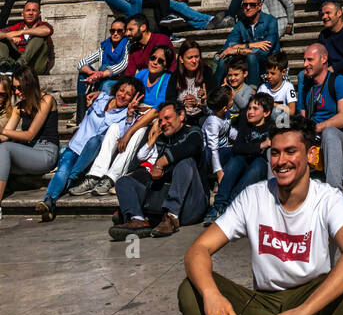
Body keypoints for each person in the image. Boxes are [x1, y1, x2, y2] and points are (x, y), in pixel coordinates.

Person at [178, 117, 343, 315]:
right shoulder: (253, 197)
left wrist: (302, 312)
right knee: (191, 288)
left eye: (291, 151)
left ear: (311, 154)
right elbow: (197, 250)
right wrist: (212, 294)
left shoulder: (328, 199)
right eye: (275, 153)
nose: (281, 161)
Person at [37, 76, 145, 221]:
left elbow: (122, 139)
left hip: (91, 154)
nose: (123, 96)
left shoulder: (125, 114)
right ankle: (49, 201)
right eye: (121, 91)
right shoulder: (101, 98)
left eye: (128, 95)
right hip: (76, 146)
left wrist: (130, 114)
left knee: (96, 140)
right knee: (64, 170)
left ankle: (63, 187)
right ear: (116, 90)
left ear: (133, 99)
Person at [109, 98, 209, 239]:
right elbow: (150, 170)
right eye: (160, 120)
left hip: (191, 205)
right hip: (162, 204)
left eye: (167, 118)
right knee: (123, 182)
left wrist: (160, 163)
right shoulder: (161, 139)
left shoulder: (194, 132)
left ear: (181, 116)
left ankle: (171, 218)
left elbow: (190, 148)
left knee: (185, 162)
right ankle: (138, 220)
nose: (163, 123)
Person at [204, 92, 275, 223]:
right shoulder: (244, 122)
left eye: (255, 109)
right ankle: (218, 205)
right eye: (249, 108)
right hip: (242, 158)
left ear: (266, 113)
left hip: (259, 162)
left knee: (258, 166)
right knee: (235, 161)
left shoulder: (271, 126)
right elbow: (238, 147)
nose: (250, 112)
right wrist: (261, 145)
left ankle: (231, 206)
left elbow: (287, 116)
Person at [0, 66, 60, 217]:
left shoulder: (47, 100)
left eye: (20, 88)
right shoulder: (18, 107)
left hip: (46, 153)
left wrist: (1, 131)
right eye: (14, 88)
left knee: (5, 148)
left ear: (30, 85)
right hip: (29, 153)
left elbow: (30, 135)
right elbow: (4, 137)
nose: (16, 92)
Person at [297, 43, 343, 191]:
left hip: (338, 138)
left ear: (323, 59)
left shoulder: (339, 81)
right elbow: (303, 118)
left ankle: (334, 192)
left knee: (329, 133)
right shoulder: (306, 89)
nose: (305, 64)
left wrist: (318, 128)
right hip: (314, 141)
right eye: (304, 60)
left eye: (310, 60)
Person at [214, 0, 281, 88]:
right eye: (245, 5)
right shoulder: (241, 24)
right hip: (247, 64)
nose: (248, 7)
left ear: (259, 6)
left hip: (269, 64)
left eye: (252, 5)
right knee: (223, 58)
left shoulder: (271, 21)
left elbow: (263, 52)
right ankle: (215, 93)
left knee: (251, 56)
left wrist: (237, 49)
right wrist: (251, 45)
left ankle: (252, 92)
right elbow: (228, 47)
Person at [75, 17, 130, 121]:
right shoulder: (105, 46)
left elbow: (124, 64)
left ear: (124, 32)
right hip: (100, 77)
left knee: (105, 80)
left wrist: (102, 74)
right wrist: (92, 72)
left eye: (119, 31)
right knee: (82, 74)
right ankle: (80, 115)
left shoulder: (127, 44)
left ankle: (100, 115)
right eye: (112, 31)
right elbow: (81, 62)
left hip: (116, 79)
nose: (115, 33)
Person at [167, 39, 215, 125]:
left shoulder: (206, 73)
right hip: (182, 119)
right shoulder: (175, 76)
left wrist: (202, 101)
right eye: (190, 58)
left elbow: (215, 101)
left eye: (196, 57)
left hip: (202, 118)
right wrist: (182, 104)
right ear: (181, 59)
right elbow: (170, 100)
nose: (194, 61)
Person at [0, 0, 54, 74]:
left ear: (39, 14)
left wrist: (21, 32)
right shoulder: (16, 26)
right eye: (28, 10)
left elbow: (47, 30)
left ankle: (19, 64)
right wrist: (7, 36)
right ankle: (4, 65)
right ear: (23, 13)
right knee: (2, 38)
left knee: (39, 36)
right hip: (15, 62)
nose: (31, 13)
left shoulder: (43, 25)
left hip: (36, 65)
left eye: (34, 10)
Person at [259, 51, 297, 118]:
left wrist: (273, 105)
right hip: (266, 122)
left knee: (275, 112)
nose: (269, 76)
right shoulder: (263, 88)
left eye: (273, 73)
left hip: (282, 123)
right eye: (267, 73)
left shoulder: (288, 87)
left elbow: (292, 111)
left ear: (283, 72)